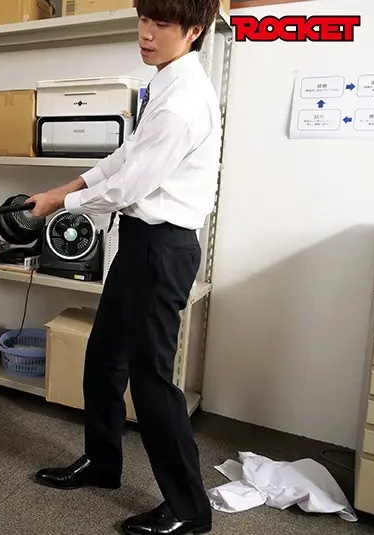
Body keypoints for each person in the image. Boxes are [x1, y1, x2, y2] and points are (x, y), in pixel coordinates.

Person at [28, 1, 222, 534]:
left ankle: (190, 509)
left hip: (163, 248)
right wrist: (66, 186)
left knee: (152, 379)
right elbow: (126, 156)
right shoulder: (163, 83)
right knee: (104, 357)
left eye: (162, 24)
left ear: (193, 30)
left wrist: (61, 204)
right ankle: (102, 462)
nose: (146, 33)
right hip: (139, 243)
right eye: (144, 19)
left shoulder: (183, 102)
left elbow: (129, 186)